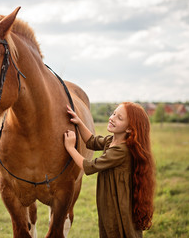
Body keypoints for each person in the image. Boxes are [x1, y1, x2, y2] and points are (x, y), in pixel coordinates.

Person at [64, 102, 155, 238]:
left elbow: (89, 166)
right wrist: (79, 122)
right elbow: (92, 141)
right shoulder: (111, 141)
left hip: (118, 203)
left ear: (130, 129)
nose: (112, 118)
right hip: (109, 200)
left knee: (120, 230)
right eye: (113, 114)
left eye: (119, 118)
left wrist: (70, 148)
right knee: (109, 228)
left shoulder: (121, 150)